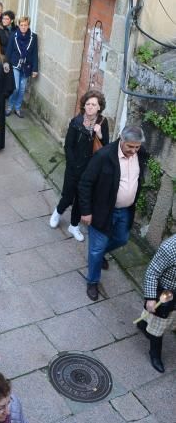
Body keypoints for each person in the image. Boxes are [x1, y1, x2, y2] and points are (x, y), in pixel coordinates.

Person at [78, 125, 147, 301]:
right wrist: (86, 211)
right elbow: (85, 183)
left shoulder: (141, 154)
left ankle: (99, 255)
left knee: (122, 239)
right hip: (102, 211)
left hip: (125, 211)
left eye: (137, 147)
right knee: (96, 249)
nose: (133, 151)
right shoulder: (104, 156)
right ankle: (92, 281)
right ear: (121, 140)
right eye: (130, 146)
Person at [50, 90, 109, 242]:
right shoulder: (76, 122)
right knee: (69, 196)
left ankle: (74, 225)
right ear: (84, 106)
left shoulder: (103, 122)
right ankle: (57, 212)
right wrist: (73, 164)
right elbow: (68, 146)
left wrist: (100, 135)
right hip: (74, 167)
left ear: (99, 107)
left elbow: (106, 146)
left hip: (90, 170)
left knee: (81, 199)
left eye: (93, 104)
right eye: (87, 104)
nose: (90, 107)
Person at [137, 234, 176, 373]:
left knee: (168, 321)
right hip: (165, 296)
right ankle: (155, 355)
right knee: (158, 327)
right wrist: (151, 298)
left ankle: (142, 324)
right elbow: (152, 273)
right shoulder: (170, 248)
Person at [5, 16, 38, 118]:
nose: (23, 27)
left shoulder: (33, 37)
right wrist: (6, 64)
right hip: (15, 65)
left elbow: (34, 54)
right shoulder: (13, 35)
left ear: (28, 25)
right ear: (19, 25)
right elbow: (9, 51)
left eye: (25, 25)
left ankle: (18, 108)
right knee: (16, 88)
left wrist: (35, 69)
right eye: (21, 25)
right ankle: (10, 106)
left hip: (26, 66)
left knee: (22, 89)